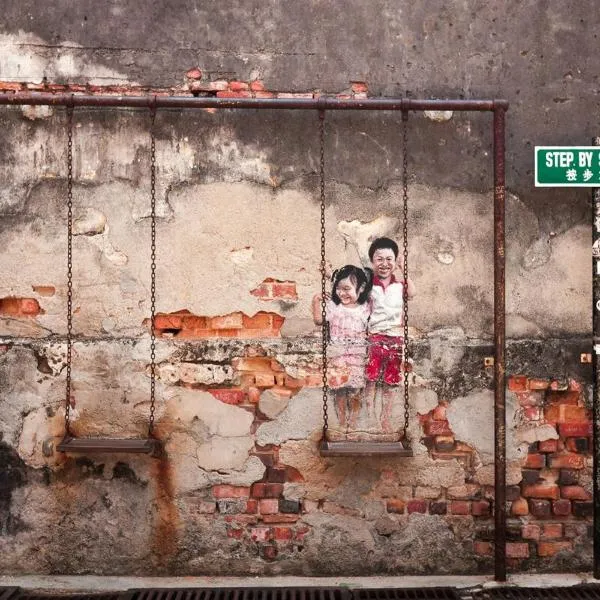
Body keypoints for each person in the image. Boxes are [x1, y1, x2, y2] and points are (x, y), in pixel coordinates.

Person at [312, 265, 373, 431]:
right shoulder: (334, 307)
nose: (341, 293)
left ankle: (352, 423)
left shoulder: (365, 308)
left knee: (355, 392)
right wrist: (316, 301)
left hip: (357, 357)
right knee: (339, 390)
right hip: (338, 356)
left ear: (361, 288)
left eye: (347, 289)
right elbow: (318, 320)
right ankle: (341, 422)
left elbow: (373, 290)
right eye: (338, 288)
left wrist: (331, 274)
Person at [364, 237, 415, 433]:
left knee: (391, 381)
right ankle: (370, 417)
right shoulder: (369, 287)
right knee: (371, 379)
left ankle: (385, 418)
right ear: (372, 262)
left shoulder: (400, 286)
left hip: (395, 338)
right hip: (375, 337)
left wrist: (403, 269)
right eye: (379, 259)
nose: (384, 264)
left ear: (395, 261)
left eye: (389, 259)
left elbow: (412, 293)